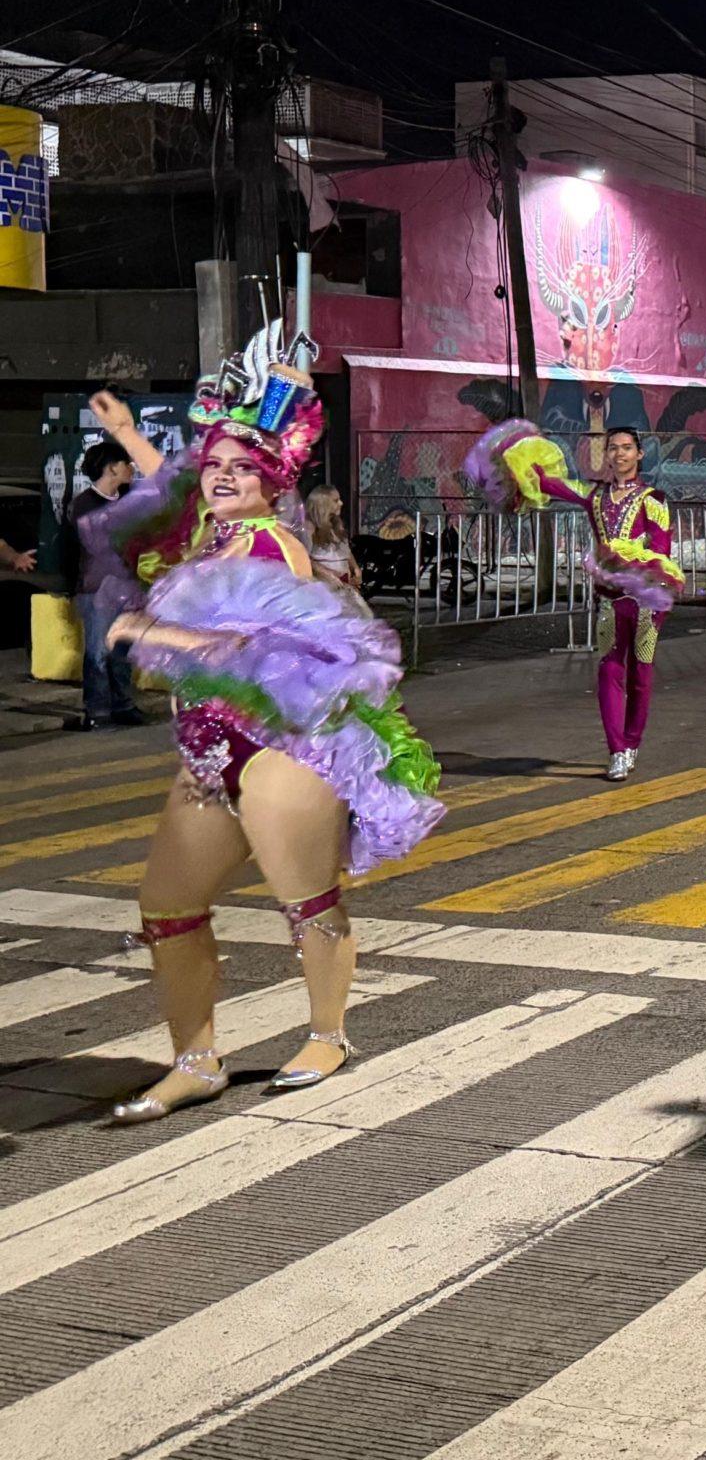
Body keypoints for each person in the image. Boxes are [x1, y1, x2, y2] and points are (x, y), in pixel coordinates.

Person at [91, 338, 443, 1122]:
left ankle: (328, 1035)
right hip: (208, 756)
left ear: (272, 481)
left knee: (305, 899)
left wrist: (151, 633)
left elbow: (253, 650)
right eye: (216, 463)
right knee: (167, 905)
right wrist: (125, 431)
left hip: (281, 749)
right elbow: (171, 487)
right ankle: (196, 1059)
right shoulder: (208, 537)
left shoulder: (268, 544)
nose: (222, 475)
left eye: (243, 468)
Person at [465, 418, 686, 781]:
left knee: (640, 676)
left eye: (626, 447)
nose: (619, 453)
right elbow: (549, 483)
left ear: (640, 454)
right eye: (613, 447)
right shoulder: (593, 496)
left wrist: (630, 559)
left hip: (644, 600)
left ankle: (632, 743)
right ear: (607, 454)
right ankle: (616, 750)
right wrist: (513, 461)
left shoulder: (654, 500)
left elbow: (661, 550)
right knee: (609, 671)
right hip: (608, 599)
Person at [63, 425, 146, 731]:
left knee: (122, 653)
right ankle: (98, 709)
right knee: (98, 653)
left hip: (127, 588)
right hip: (96, 589)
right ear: (112, 468)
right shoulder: (85, 505)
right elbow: (84, 547)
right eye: (126, 464)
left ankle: (123, 705)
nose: (131, 468)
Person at [303, 485, 358, 593]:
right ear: (323, 504)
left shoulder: (337, 525)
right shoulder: (309, 527)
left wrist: (355, 567)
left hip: (343, 583)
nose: (341, 503)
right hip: (324, 586)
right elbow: (304, 558)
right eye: (336, 501)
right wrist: (327, 574)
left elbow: (345, 551)